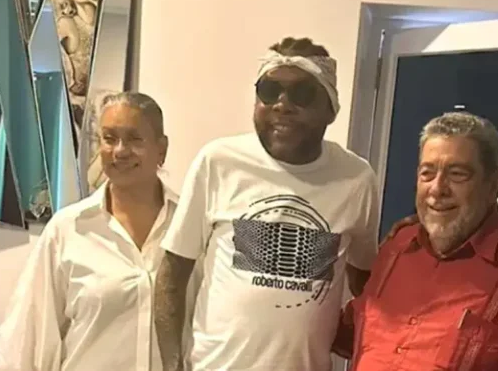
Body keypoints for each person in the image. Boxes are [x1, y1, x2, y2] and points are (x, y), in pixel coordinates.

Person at [154, 37, 380, 371]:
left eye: (302, 94)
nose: (282, 105)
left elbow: (366, 285)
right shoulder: (218, 162)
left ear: (330, 109)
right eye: (270, 91)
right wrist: (172, 366)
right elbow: (172, 275)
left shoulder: (356, 178)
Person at [0, 92, 198, 370]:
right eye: (109, 138)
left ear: (162, 149)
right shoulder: (68, 230)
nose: (120, 151)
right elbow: (27, 337)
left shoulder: (190, 226)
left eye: (135, 139)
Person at [333, 112, 498, 371]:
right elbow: (353, 330)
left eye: (457, 174)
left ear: (494, 186)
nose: (437, 189)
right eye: (427, 173)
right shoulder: (398, 244)